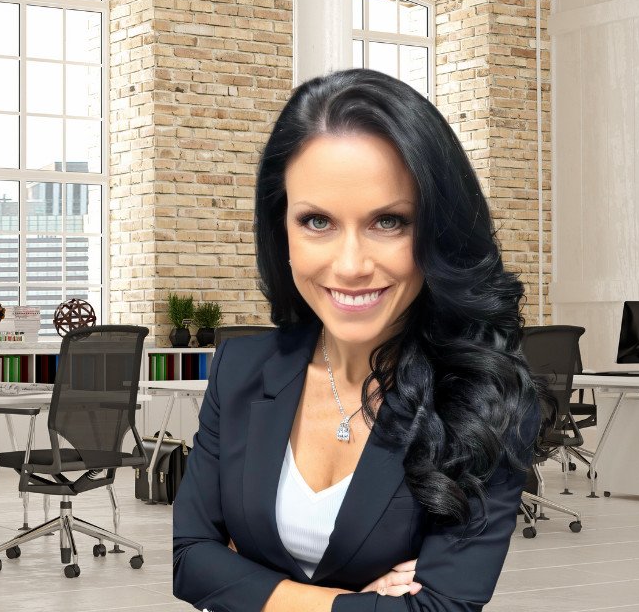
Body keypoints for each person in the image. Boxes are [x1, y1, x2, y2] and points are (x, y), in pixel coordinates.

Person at [172, 68, 546, 612]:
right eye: (316, 221)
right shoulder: (240, 368)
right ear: (281, 228)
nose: (350, 266)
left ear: (439, 230)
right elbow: (190, 559)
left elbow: (441, 608)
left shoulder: (485, 398)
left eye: (389, 222)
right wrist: (346, 602)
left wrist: (248, 584)